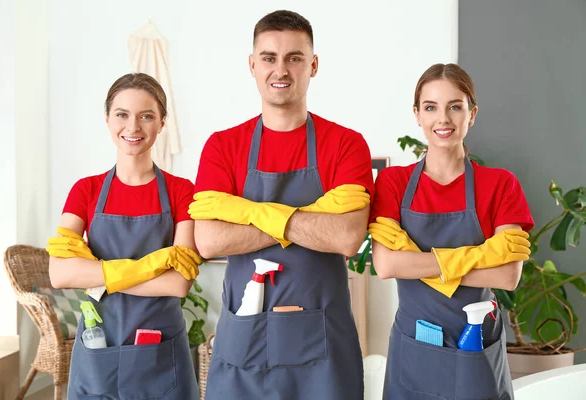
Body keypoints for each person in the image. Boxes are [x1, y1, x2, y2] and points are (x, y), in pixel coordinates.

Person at [188, 10, 374, 400]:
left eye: (294, 57)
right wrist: (307, 221)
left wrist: (254, 213)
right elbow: (208, 241)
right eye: (269, 58)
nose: (281, 69)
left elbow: (346, 237)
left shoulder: (345, 144)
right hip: (246, 343)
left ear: (314, 65)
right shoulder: (223, 147)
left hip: (323, 352)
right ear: (252, 65)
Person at [369, 63, 534, 399]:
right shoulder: (394, 183)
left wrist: (417, 263)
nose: (442, 119)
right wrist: (477, 259)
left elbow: (506, 276)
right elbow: (386, 265)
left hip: (477, 347)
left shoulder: (500, 184)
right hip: (415, 346)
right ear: (417, 114)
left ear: (471, 114)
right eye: (431, 107)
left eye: (455, 107)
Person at [46, 73, 201, 399]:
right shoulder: (85, 190)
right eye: (122, 114)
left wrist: (99, 278)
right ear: (107, 120)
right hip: (99, 348)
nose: (133, 126)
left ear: (161, 124)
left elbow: (178, 283)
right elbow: (59, 272)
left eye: (146, 116)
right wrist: (150, 269)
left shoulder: (181, 191)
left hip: (161, 352)